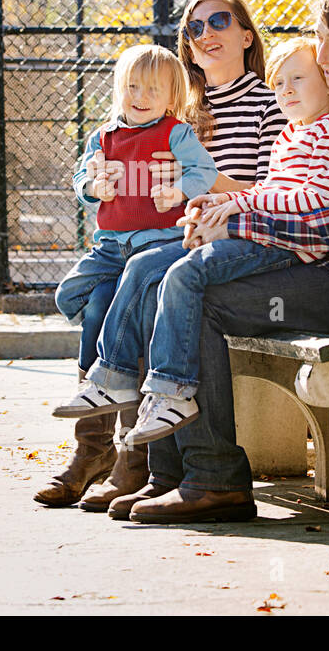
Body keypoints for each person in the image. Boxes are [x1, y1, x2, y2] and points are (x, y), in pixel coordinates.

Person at [111, 0, 329, 524]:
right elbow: (285, 191)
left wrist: (246, 222)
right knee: (163, 280)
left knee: (195, 292)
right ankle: (170, 475)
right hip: (308, 269)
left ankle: (214, 479)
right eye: (320, 38)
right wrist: (230, 214)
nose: (323, 53)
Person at [33, 0, 286, 509]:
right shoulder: (175, 105)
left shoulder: (268, 101)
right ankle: (102, 452)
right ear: (186, 49)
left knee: (149, 278)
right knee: (102, 299)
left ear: (246, 34)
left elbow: (269, 187)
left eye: (219, 21)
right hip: (163, 238)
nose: (207, 33)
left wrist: (199, 183)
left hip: (219, 240)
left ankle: (137, 461)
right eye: (194, 28)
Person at [117, 37, 329, 446]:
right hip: (265, 238)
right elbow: (267, 193)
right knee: (152, 267)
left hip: (289, 249)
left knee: (185, 274)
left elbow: (317, 198)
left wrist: (237, 204)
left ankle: (171, 390)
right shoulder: (289, 138)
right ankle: (130, 389)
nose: (285, 89)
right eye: (279, 82)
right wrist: (216, 205)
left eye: (298, 79)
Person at [51, 44, 217, 415]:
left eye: (153, 90)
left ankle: (113, 385)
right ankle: (102, 381)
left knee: (106, 303)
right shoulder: (103, 138)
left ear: (171, 98)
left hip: (155, 240)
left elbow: (203, 172)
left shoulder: (175, 133)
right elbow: (80, 179)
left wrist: (177, 191)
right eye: (133, 87)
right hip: (110, 245)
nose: (141, 97)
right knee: (68, 294)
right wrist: (94, 189)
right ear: (119, 90)